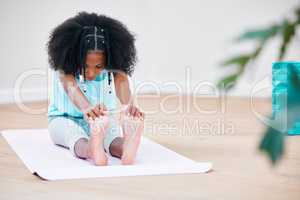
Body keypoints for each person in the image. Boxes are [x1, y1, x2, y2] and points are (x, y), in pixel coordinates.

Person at [47, 12, 144, 166]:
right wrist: (86, 108)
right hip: (64, 118)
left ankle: (126, 147)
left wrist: (129, 105)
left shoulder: (113, 62)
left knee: (112, 137)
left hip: (103, 119)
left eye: (99, 66)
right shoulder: (66, 64)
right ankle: (92, 148)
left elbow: (121, 81)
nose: (91, 73)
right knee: (74, 136)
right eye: (85, 66)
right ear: (73, 56)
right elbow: (69, 85)